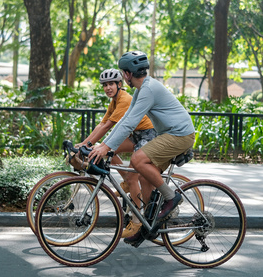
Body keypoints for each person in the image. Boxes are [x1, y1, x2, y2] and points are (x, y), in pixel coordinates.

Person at [89, 51, 195, 246]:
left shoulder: (148, 89)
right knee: (145, 175)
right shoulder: (141, 90)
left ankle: (171, 198)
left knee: (138, 159)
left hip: (180, 135)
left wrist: (106, 147)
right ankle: (149, 223)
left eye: (123, 73)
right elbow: (124, 121)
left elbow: (130, 123)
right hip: (169, 134)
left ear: (128, 74)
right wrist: (105, 145)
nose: (123, 76)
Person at [76, 68, 157, 238]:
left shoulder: (124, 99)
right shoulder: (114, 101)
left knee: (133, 175)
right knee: (107, 151)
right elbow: (101, 124)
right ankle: (127, 181)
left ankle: (136, 221)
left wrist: (90, 144)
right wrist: (84, 144)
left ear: (119, 84)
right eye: (105, 85)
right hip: (135, 135)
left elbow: (107, 127)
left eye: (111, 84)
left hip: (148, 134)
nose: (108, 88)